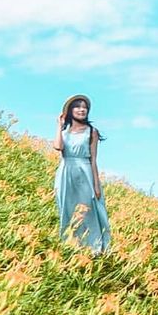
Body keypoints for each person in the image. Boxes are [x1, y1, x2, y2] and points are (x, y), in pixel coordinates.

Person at [53, 94, 111, 256]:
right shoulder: (64, 131)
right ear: (70, 111)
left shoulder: (92, 132)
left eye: (84, 107)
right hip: (65, 171)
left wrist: (96, 184)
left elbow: (93, 160)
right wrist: (59, 125)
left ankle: (94, 248)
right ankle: (71, 246)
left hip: (84, 171)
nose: (81, 109)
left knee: (88, 210)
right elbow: (57, 147)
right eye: (77, 106)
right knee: (67, 209)